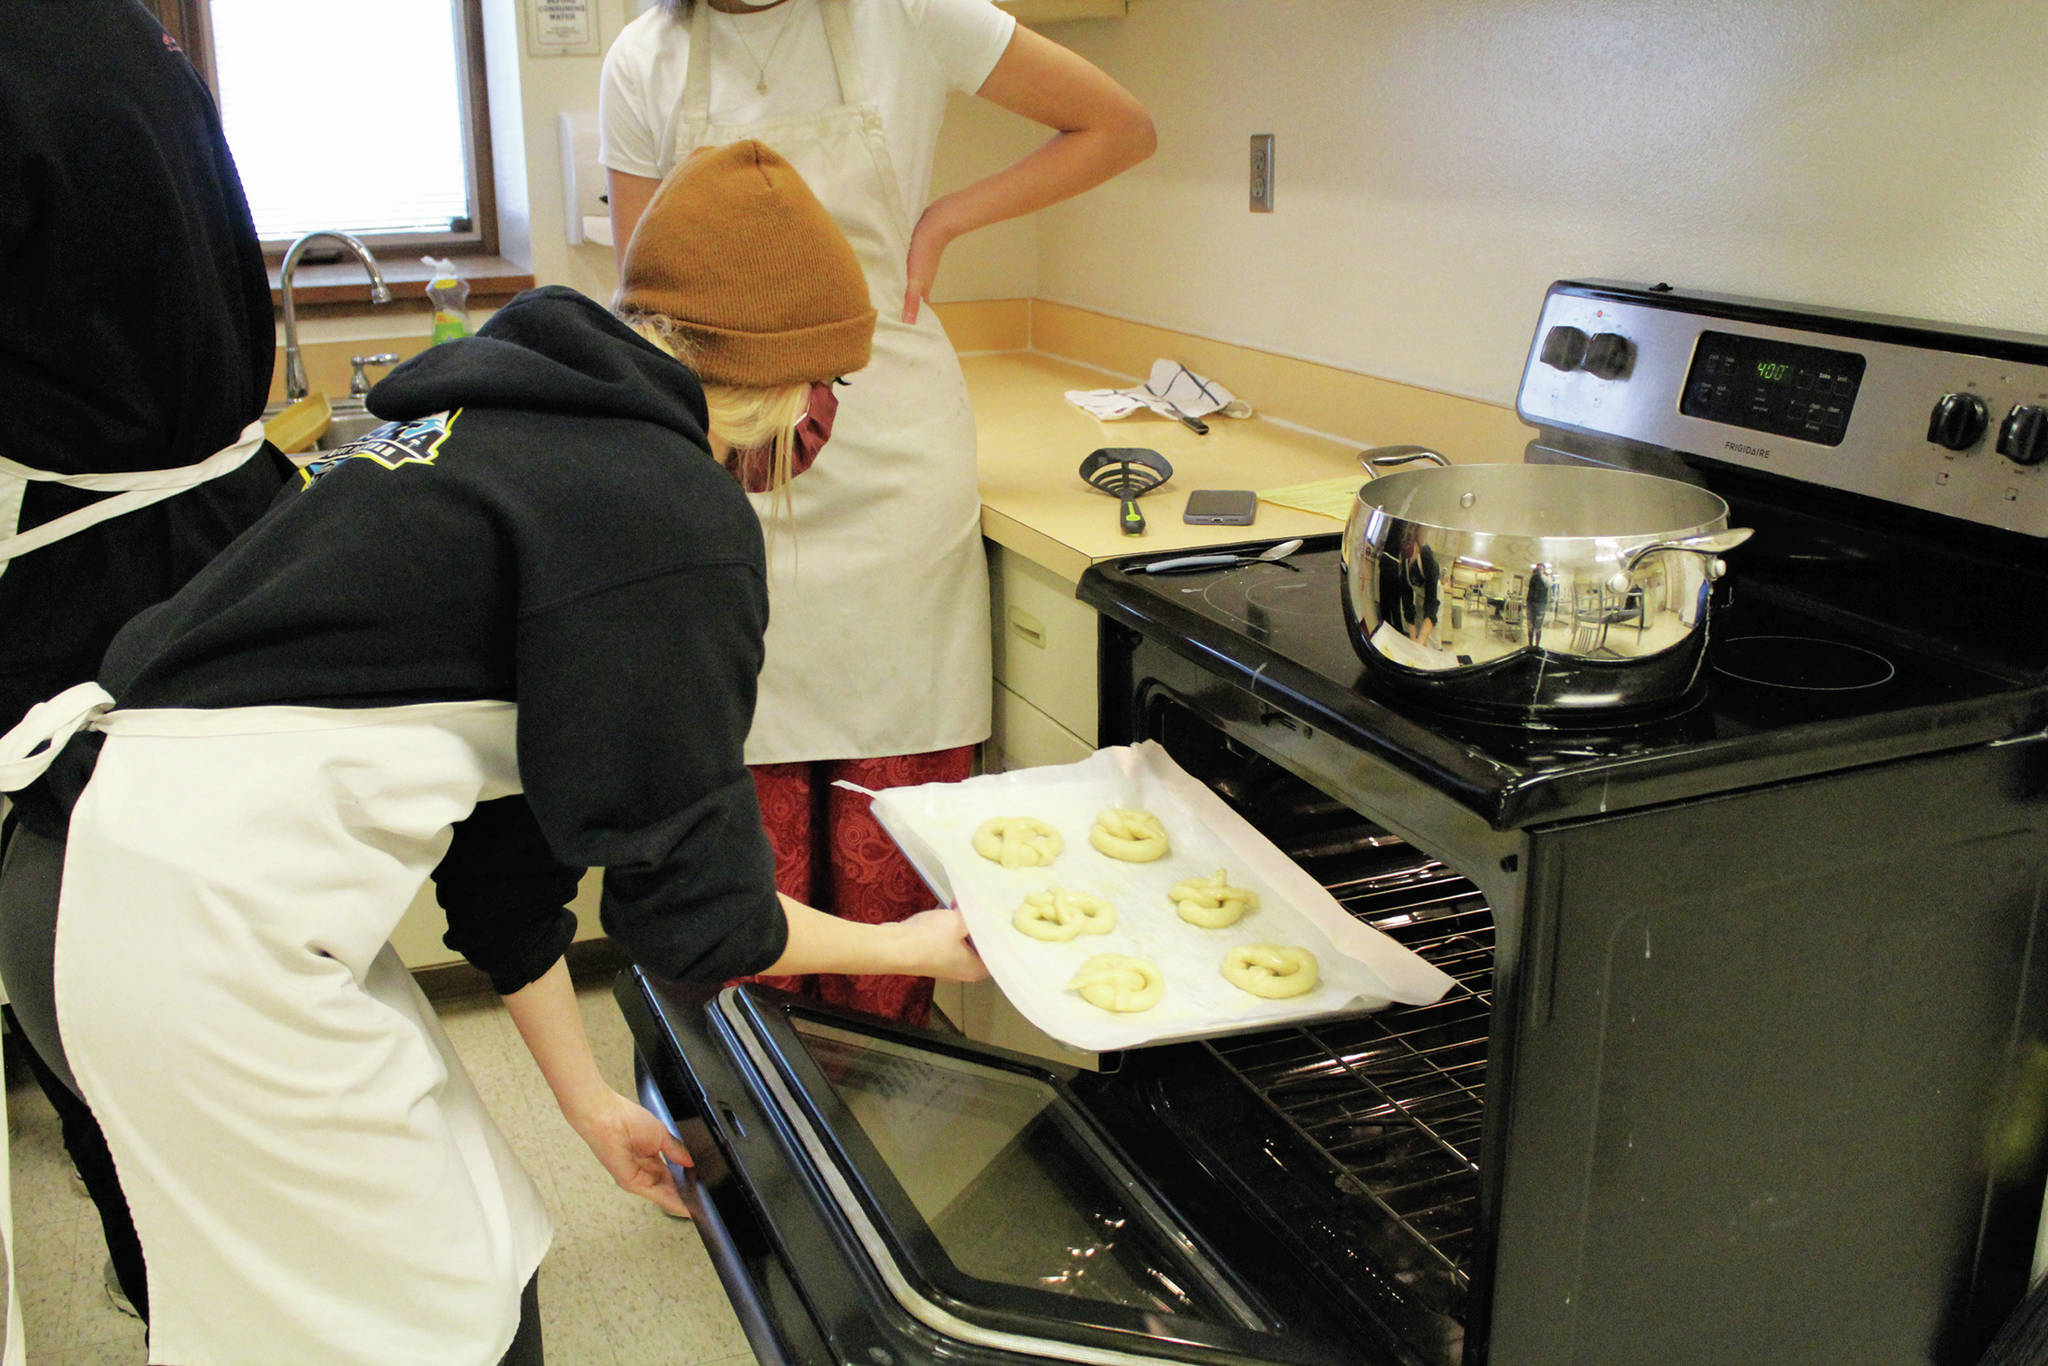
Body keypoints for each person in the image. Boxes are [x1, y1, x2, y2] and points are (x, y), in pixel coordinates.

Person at [0, 139, 985, 1366]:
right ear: (791, 381)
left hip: (101, 876)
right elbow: (700, 914)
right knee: (429, 1326)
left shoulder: (502, 418)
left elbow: (502, 850)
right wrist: (920, 942)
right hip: (183, 929)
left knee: (473, 1249)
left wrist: (583, 1104)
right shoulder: (663, 507)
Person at [600, 0, 1155, 1026]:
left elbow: (1117, 124)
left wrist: (942, 219)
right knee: (739, 805)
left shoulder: (906, 12)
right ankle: (754, 1122)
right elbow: (646, 299)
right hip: (731, 463)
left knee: (888, 820)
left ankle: (883, 1103)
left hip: (893, 460)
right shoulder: (645, 58)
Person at [0, 0, 297, 1322]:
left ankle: (189, 1305)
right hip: (222, 556)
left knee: (118, 1000)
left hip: (87, 591)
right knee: (242, 981)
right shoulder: (125, 40)